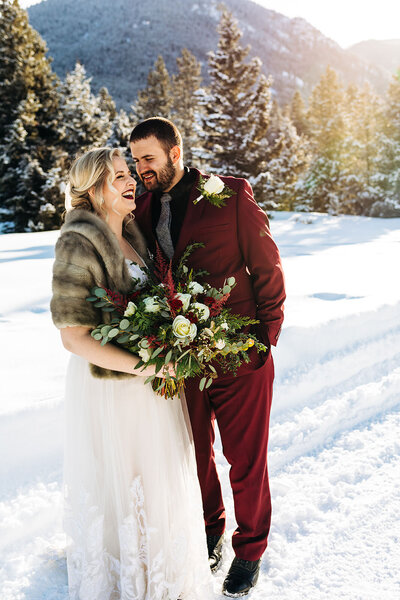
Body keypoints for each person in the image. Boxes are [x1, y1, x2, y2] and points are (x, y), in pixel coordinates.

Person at [130, 118, 286, 597]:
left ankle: (250, 550)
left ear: (175, 153)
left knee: (245, 459)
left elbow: (267, 265)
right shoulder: (140, 205)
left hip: (240, 354)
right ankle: (211, 529)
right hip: (180, 356)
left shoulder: (231, 194)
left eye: (148, 159)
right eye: (135, 161)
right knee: (194, 454)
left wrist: (264, 340)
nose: (141, 170)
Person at [50, 147, 212, 600]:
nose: (131, 182)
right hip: (113, 388)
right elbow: (73, 336)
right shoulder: (79, 240)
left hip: (151, 386)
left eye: (129, 175)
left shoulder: (134, 233)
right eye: (118, 176)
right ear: (93, 189)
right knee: (126, 478)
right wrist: (148, 365)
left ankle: (159, 572)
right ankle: (127, 577)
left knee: (154, 476)